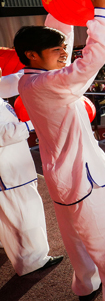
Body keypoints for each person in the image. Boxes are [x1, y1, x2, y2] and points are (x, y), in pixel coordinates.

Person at [14, 0, 105, 301]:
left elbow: (60, 38)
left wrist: (63, 0)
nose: (64, 55)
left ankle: (86, 284)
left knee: (78, 241)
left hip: (64, 181)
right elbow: (91, 61)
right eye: (57, 52)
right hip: (83, 181)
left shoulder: (29, 79)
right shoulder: (50, 83)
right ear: (32, 55)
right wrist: (101, 12)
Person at [0, 70, 64, 276]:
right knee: (24, 213)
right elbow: (4, 134)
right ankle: (32, 261)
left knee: (14, 214)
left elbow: (14, 81)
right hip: (9, 171)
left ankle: (18, 251)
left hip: (12, 166)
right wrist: (29, 123)